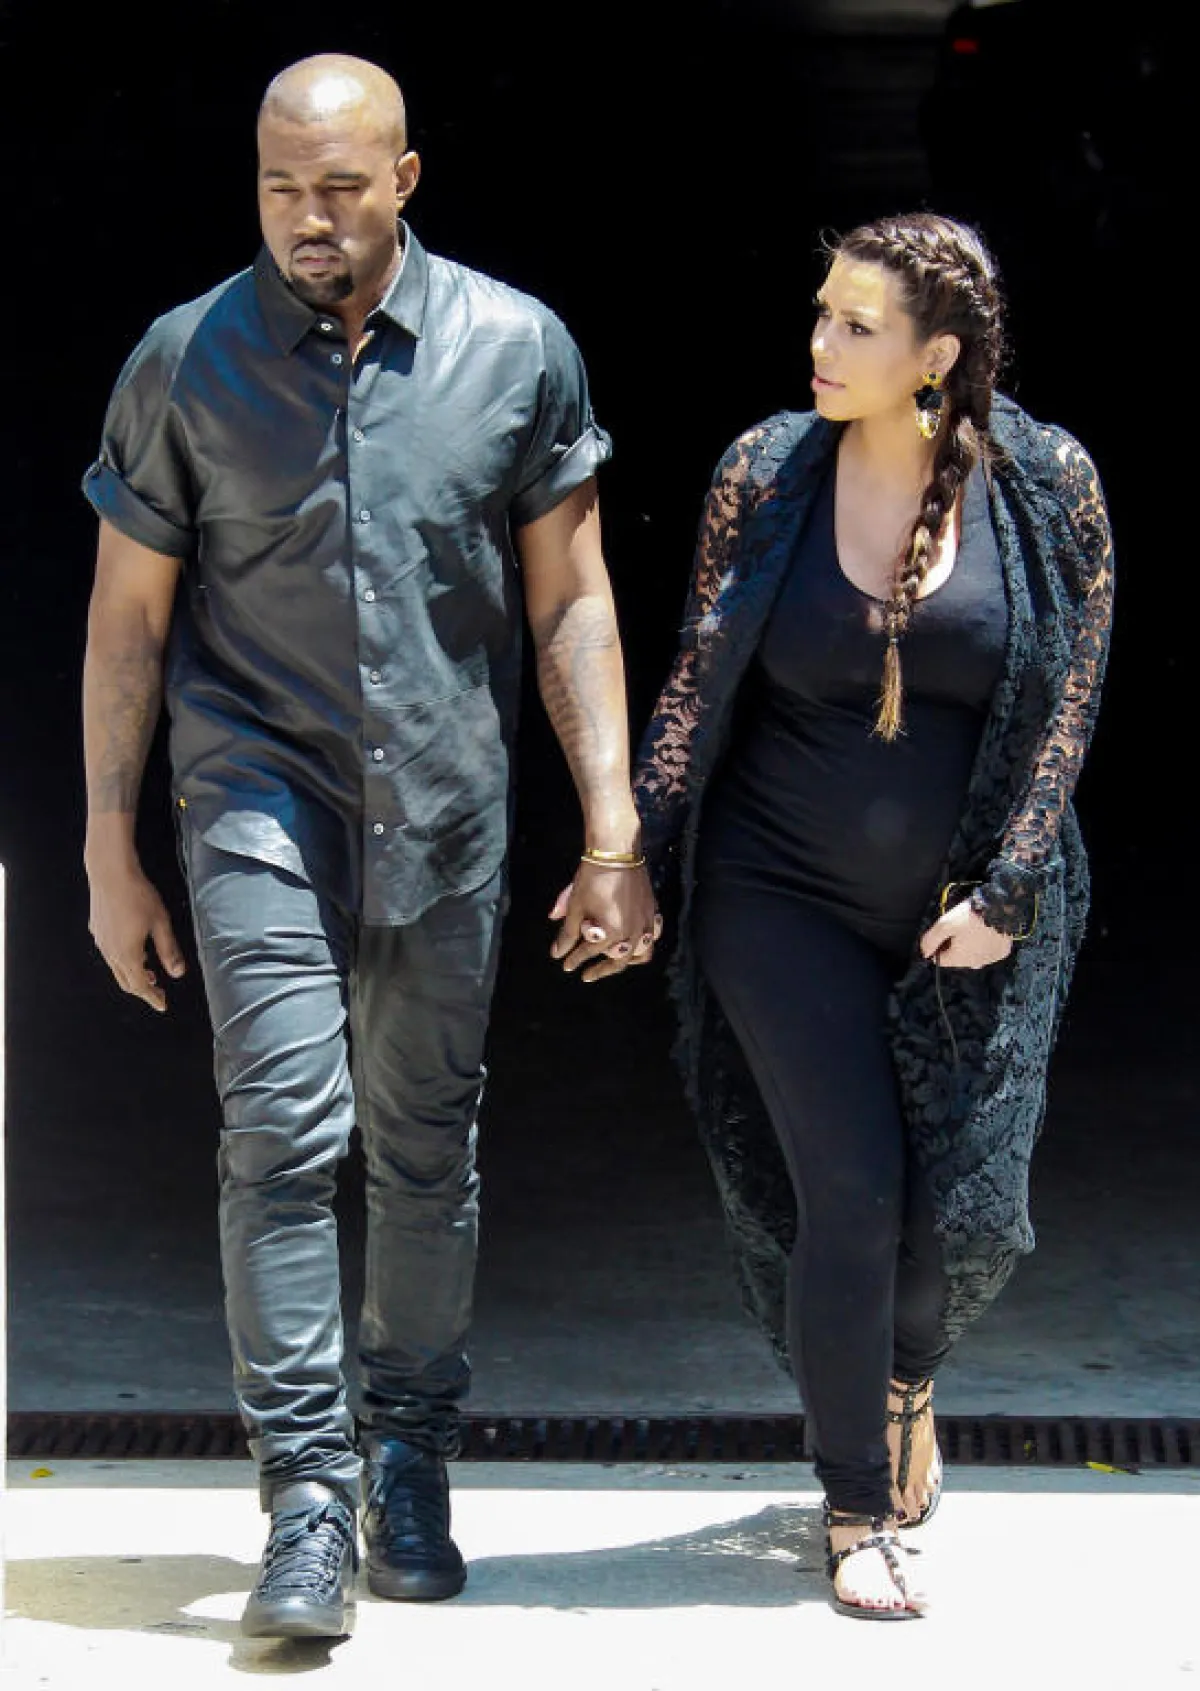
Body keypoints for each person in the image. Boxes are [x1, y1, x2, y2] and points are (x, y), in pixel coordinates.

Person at [81, 53, 658, 1640]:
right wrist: (107, 848)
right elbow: (128, 621)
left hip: (447, 797)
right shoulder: (186, 360)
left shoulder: (516, 349)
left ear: (405, 179)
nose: (309, 219)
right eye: (281, 187)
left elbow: (572, 595)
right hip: (253, 792)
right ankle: (306, 1498)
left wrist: (612, 826)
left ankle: (408, 1449)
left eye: (340, 187)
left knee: (422, 1143)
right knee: (280, 1125)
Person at [624, 213, 1113, 1617]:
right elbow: (695, 678)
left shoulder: (1048, 483)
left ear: (936, 357)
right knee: (850, 1189)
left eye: (857, 325)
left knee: (968, 1222)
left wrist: (1011, 889)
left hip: (970, 911)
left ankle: (904, 1381)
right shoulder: (767, 469)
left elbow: (1069, 705)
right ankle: (853, 1508)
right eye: (821, 313)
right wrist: (630, 851)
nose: (821, 345)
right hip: (777, 892)